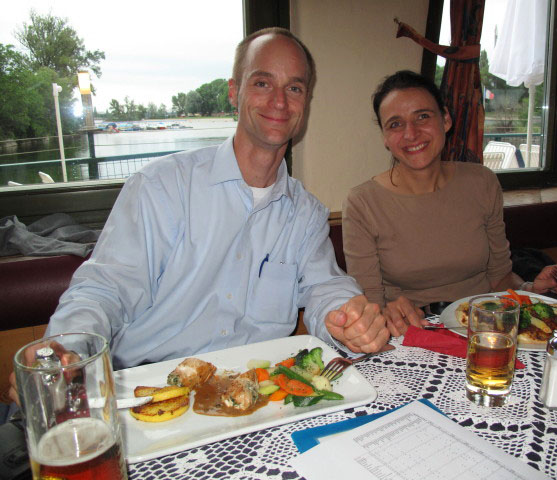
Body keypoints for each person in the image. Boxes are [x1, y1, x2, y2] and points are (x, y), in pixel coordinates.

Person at [8, 28, 390, 404]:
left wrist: (348, 317)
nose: (279, 101)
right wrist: (68, 348)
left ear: (305, 101)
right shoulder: (161, 186)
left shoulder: (304, 212)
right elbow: (106, 287)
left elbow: (326, 288)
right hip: (150, 392)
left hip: (257, 395)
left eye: (294, 88)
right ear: (233, 91)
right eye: (262, 83)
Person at [342, 70, 557, 337]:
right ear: (385, 137)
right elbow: (370, 303)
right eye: (395, 124)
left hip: (487, 328)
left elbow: (501, 277)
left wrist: (532, 288)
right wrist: (386, 313)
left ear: (446, 120)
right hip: (412, 334)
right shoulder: (363, 202)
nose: (411, 133)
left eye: (423, 116)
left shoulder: (482, 182)